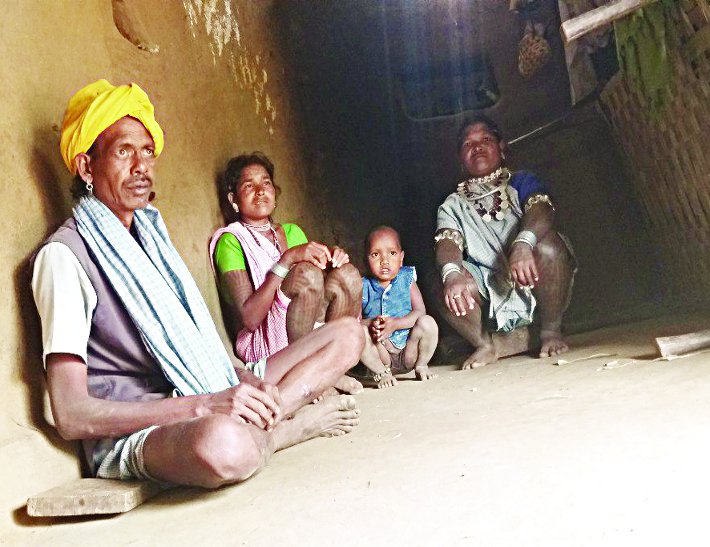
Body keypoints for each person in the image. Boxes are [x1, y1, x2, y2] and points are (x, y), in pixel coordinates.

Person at [31, 80, 364, 488]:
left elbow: (197, 350)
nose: (141, 166)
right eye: (123, 152)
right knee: (224, 445)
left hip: (207, 386)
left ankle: (266, 418)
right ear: (86, 168)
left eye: (147, 152)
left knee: (349, 335)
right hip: (147, 429)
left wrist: (242, 382)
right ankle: (285, 431)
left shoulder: (151, 240)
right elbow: (71, 415)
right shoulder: (64, 257)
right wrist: (205, 406)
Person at [209, 153, 364, 395]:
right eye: (249, 186)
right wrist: (287, 259)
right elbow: (250, 319)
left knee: (349, 275)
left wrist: (335, 258)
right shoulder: (231, 241)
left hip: (302, 325)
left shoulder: (292, 232)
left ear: (275, 192)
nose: (260, 191)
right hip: (264, 341)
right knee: (305, 275)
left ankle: (331, 367)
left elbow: (319, 290)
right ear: (233, 199)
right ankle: (309, 375)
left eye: (266, 183)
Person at [435, 114, 577, 370]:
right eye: (468, 144)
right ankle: (484, 344)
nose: (477, 147)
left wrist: (523, 244)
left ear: (501, 147)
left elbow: (541, 208)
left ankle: (550, 330)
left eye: (485, 140)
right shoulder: (452, 204)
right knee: (446, 279)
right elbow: (448, 241)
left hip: (529, 274)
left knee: (549, 247)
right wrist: (452, 274)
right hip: (488, 286)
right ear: (460, 158)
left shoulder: (521, 181)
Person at [355, 226, 438, 388]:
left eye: (392, 253)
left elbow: (420, 311)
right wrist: (371, 323)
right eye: (375, 254)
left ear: (401, 258)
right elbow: (356, 322)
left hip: (409, 351)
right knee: (359, 333)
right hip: (381, 352)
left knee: (428, 322)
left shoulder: (407, 278)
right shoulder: (361, 285)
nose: (384, 261)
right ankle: (381, 373)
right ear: (365, 260)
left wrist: (395, 324)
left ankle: (422, 365)